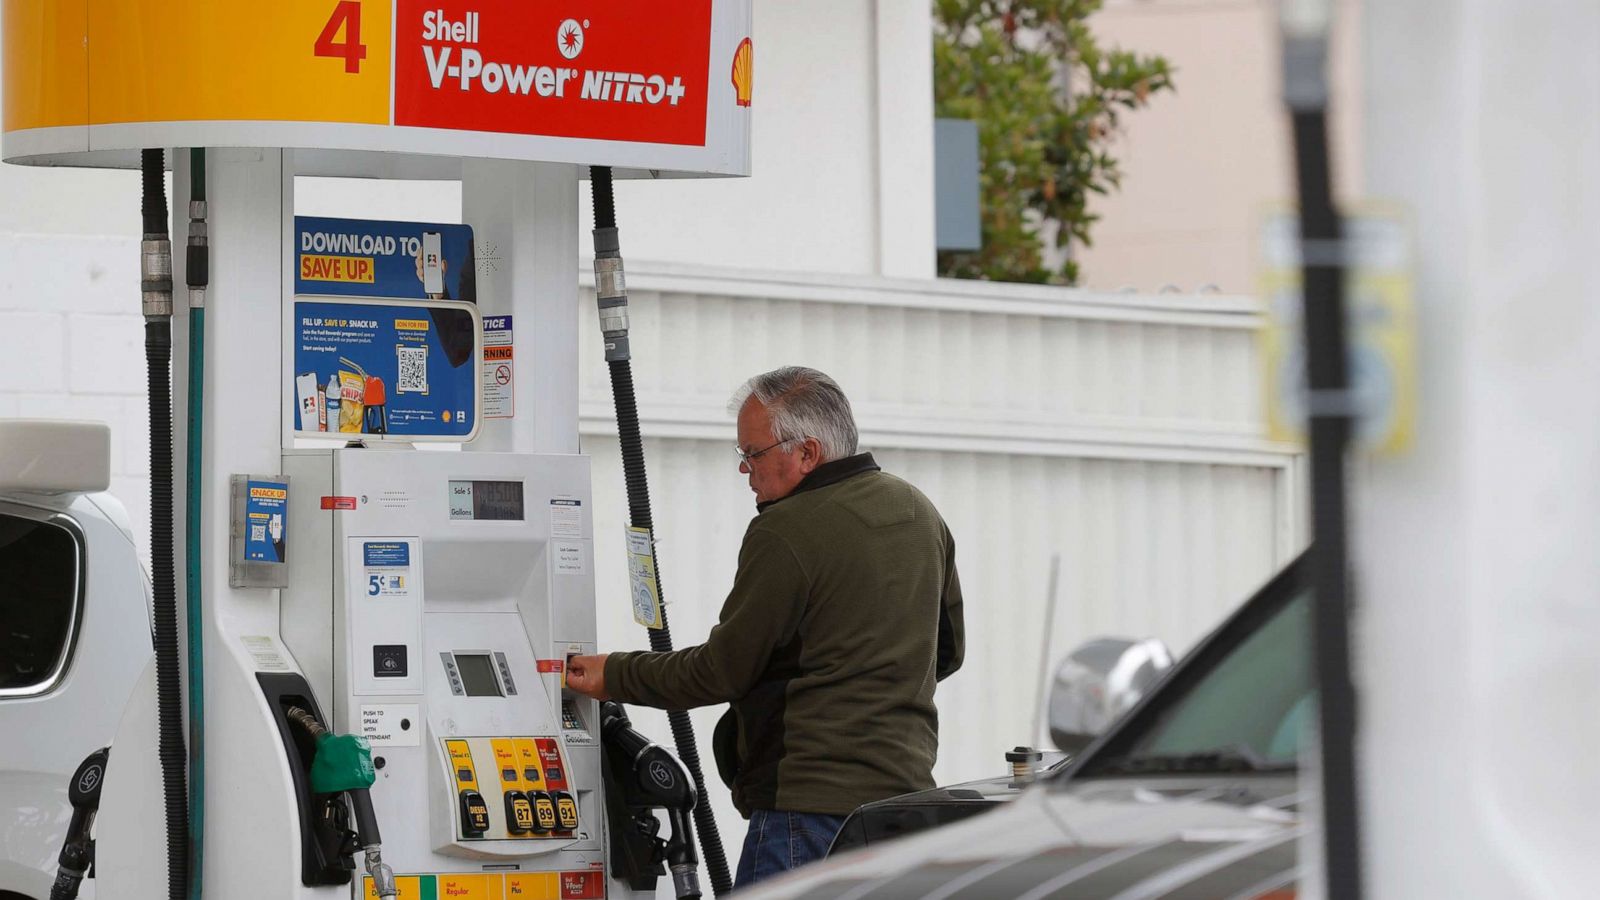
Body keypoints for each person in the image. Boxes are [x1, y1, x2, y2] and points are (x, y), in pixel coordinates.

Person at [566, 366, 964, 888]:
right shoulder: (918, 511)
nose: (744, 470)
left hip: (807, 815)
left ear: (806, 453)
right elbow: (947, 652)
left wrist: (610, 673)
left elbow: (718, 672)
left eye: (752, 454)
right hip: (902, 812)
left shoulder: (787, 530)